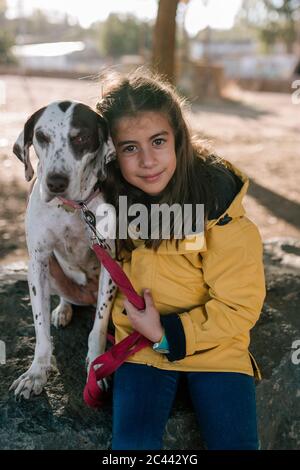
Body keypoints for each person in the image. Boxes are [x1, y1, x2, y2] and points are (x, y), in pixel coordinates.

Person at [49, 68, 266, 450]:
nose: (147, 160)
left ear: (178, 137)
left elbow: (240, 303)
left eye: (158, 141)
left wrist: (168, 333)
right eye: (130, 148)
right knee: (131, 448)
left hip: (218, 350)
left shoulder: (217, 202)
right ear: (112, 152)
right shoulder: (111, 196)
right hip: (141, 349)